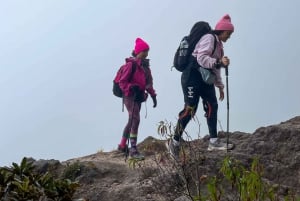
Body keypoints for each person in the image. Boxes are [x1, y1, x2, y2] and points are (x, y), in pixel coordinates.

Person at [167, 14, 235, 160]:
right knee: (190, 109)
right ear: (221, 31)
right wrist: (219, 62)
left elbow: (215, 67)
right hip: (191, 76)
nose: (229, 37)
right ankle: (174, 142)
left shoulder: (219, 45)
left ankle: (213, 141)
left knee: (212, 105)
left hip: (204, 78)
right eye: (228, 34)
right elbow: (202, 58)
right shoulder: (209, 38)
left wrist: (220, 86)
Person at [117, 37, 157, 160]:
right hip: (129, 96)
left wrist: (153, 95)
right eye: (144, 51)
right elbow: (122, 82)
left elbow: (149, 83)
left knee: (132, 120)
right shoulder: (131, 65)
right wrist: (131, 87)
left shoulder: (146, 67)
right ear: (138, 52)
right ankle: (133, 150)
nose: (146, 53)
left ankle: (123, 145)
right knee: (135, 119)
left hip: (138, 97)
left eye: (147, 51)